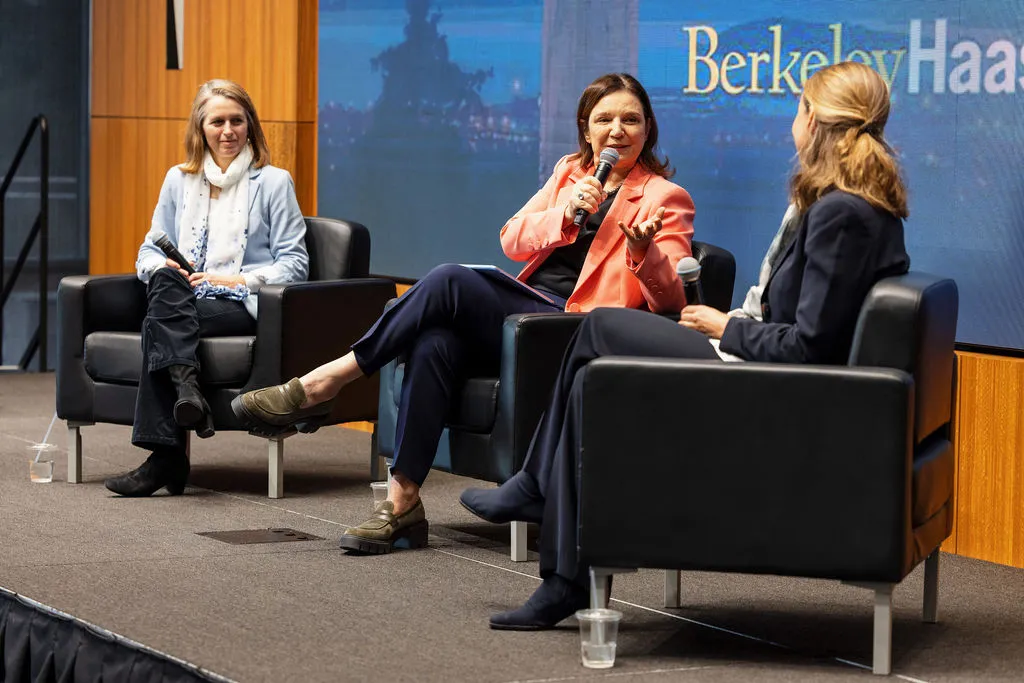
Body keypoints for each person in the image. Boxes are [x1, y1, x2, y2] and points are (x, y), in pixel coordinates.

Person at [459, 60, 912, 629]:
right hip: (770, 370)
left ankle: (542, 513)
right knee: (592, 365)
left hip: (775, 385)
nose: (792, 120)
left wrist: (727, 328)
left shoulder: (842, 213)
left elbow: (810, 347)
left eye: (798, 107)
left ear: (816, 119)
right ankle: (551, 543)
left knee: (599, 330)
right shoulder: (850, 201)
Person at [231, 73, 696, 553]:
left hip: (573, 329)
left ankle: (329, 379)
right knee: (436, 341)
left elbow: (671, 302)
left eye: (631, 119)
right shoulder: (569, 175)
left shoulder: (665, 197)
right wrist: (563, 216)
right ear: (586, 128)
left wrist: (644, 253)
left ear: (647, 128)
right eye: (606, 119)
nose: (618, 129)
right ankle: (402, 504)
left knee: (451, 278)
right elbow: (512, 238)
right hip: (526, 313)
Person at [104, 79, 308, 497]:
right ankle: (186, 390)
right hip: (184, 296)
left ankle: (167, 456)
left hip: (238, 301)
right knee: (164, 279)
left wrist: (234, 279)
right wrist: (166, 266)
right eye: (218, 121)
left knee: (158, 323)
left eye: (237, 120)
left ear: (251, 126)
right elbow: (147, 249)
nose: (228, 130)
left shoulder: (273, 182)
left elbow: (296, 264)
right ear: (200, 129)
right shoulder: (179, 180)